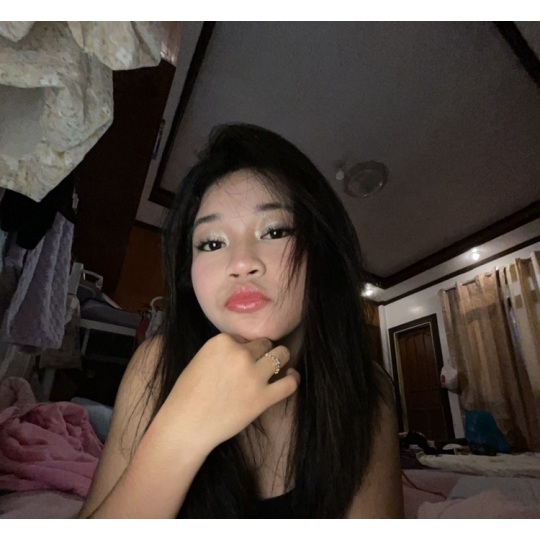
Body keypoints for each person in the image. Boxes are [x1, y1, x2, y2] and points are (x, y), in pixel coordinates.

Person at [78, 123, 403, 518]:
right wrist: (179, 434)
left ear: (321, 251)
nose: (242, 263)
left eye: (275, 231)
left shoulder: (368, 390)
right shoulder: (156, 365)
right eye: (212, 243)